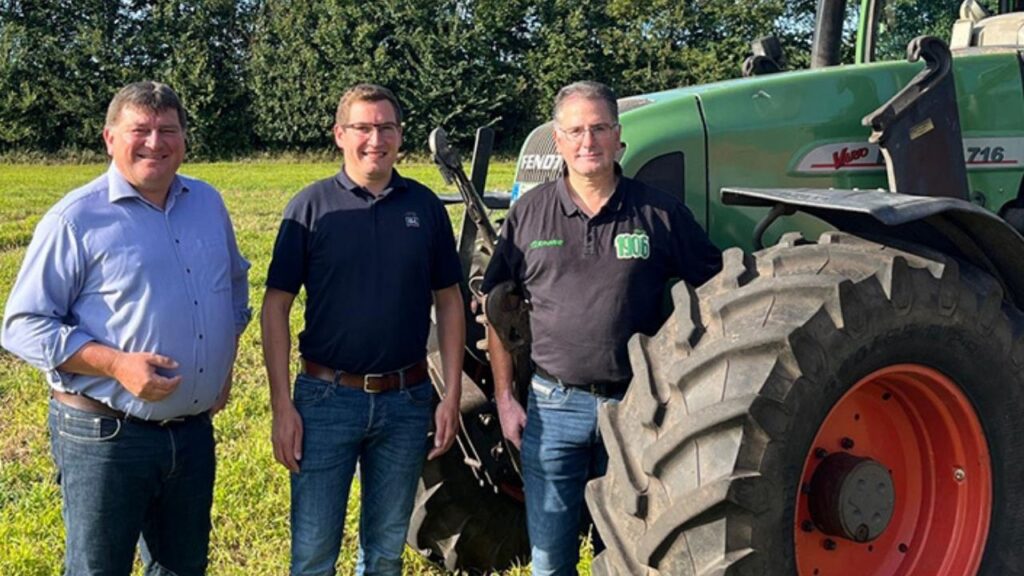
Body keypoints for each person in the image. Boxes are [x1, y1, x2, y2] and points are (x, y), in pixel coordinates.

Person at [1, 81, 251, 575]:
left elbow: (236, 286)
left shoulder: (207, 203)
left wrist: (221, 369)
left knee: (182, 568)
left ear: (184, 140)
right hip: (105, 434)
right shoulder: (76, 219)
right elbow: (21, 325)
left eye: (168, 130)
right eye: (140, 130)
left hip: (192, 434)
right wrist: (115, 364)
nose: (155, 142)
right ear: (110, 138)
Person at [482, 80, 723, 575]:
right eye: (575, 131)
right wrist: (506, 399)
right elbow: (498, 309)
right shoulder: (529, 214)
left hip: (636, 412)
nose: (587, 142)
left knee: (630, 557)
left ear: (619, 138)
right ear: (558, 139)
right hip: (552, 409)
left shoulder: (659, 214)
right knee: (551, 561)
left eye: (599, 129)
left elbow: (719, 293)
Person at [261, 83, 465, 576]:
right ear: (339, 134)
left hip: (407, 399)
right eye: (363, 127)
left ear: (400, 136)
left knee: (385, 553)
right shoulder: (310, 209)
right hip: (325, 400)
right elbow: (274, 307)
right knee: (312, 555)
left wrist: (452, 393)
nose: (376, 138)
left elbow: (451, 300)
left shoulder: (425, 208)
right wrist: (282, 406)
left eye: (387, 127)